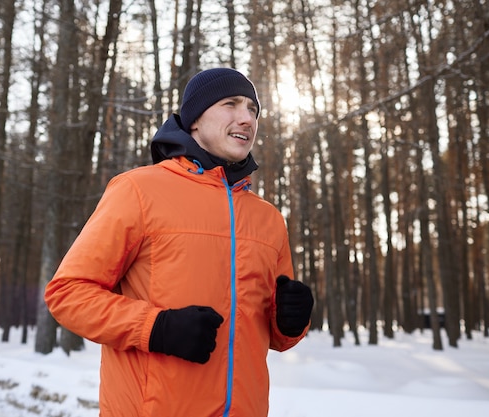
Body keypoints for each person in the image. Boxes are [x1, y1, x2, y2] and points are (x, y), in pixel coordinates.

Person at [44, 67, 314, 417]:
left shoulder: (268, 218)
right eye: (231, 104)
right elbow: (68, 293)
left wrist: (291, 322)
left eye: (253, 109)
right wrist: (156, 328)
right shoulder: (138, 190)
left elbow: (277, 338)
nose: (246, 118)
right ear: (195, 120)